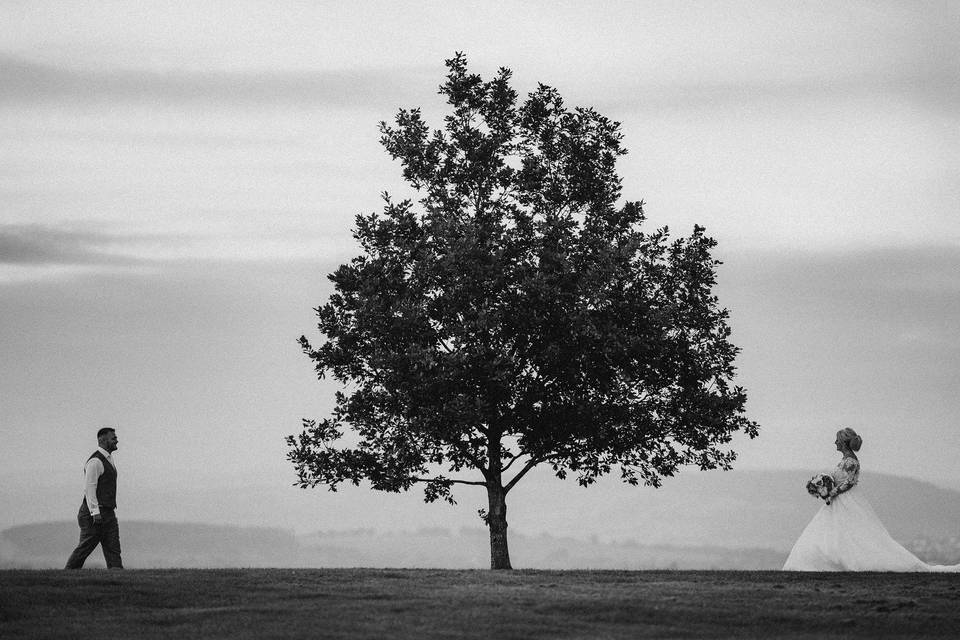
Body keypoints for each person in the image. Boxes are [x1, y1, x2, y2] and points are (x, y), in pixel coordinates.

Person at [783, 427, 959, 572]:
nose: (834, 443)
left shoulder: (851, 461)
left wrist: (831, 492)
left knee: (853, 533)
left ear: (843, 442)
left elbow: (850, 482)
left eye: (837, 440)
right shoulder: (845, 460)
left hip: (845, 499)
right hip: (838, 500)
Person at [64, 427, 123, 569]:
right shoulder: (95, 461)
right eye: (113, 438)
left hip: (108, 512)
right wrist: (95, 513)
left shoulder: (108, 459)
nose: (117, 440)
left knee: (113, 549)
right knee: (85, 548)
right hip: (94, 514)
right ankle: (68, 573)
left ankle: (118, 580)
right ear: (102, 440)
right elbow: (90, 488)